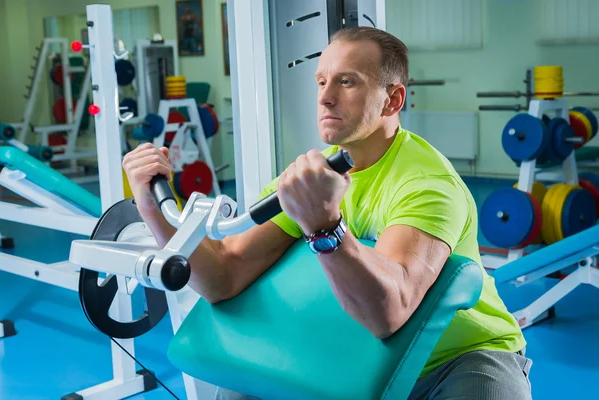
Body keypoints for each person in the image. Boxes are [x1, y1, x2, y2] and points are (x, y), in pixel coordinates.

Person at [123, 26, 532, 400]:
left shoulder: (426, 184)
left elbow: (390, 313)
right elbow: (224, 274)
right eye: (321, 81)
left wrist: (324, 226)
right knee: (241, 389)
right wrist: (150, 204)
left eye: (346, 81)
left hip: (457, 357)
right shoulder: (311, 176)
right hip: (357, 352)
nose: (325, 96)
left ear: (392, 99)